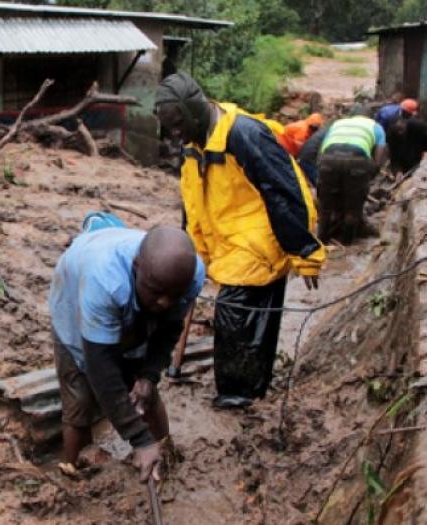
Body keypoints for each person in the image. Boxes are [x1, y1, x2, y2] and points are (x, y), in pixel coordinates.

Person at [152, 73, 325, 409]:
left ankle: (238, 396)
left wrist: (304, 251)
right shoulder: (192, 143)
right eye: (169, 128)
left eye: (178, 125)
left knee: (234, 311)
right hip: (227, 241)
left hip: (261, 239)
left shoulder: (244, 134)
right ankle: (249, 388)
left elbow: (285, 192)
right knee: (250, 322)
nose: (175, 135)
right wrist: (193, 249)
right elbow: (192, 199)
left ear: (195, 110)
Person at [49, 215, 204, 483]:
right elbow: (101, 369)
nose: (165, 302)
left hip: (128, 296)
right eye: (156, 292)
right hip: (75, 303)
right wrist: (140, 440)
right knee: (81, 398)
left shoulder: (188, 276)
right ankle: (75, 475)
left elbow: (169, 329)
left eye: (173, 295)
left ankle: (163, 459)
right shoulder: (105, 282)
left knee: (144, 394)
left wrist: (148, 375)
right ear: (136, 268)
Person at [316, 115, 388, 244]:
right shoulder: (377, 127)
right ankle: (347, 243)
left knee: (325, 206)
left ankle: (321, 240)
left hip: (328, 158)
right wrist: (370, 175)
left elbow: (322, 150)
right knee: (353, 207)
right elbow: (379, 157)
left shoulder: (338, 123)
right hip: (357, 160)